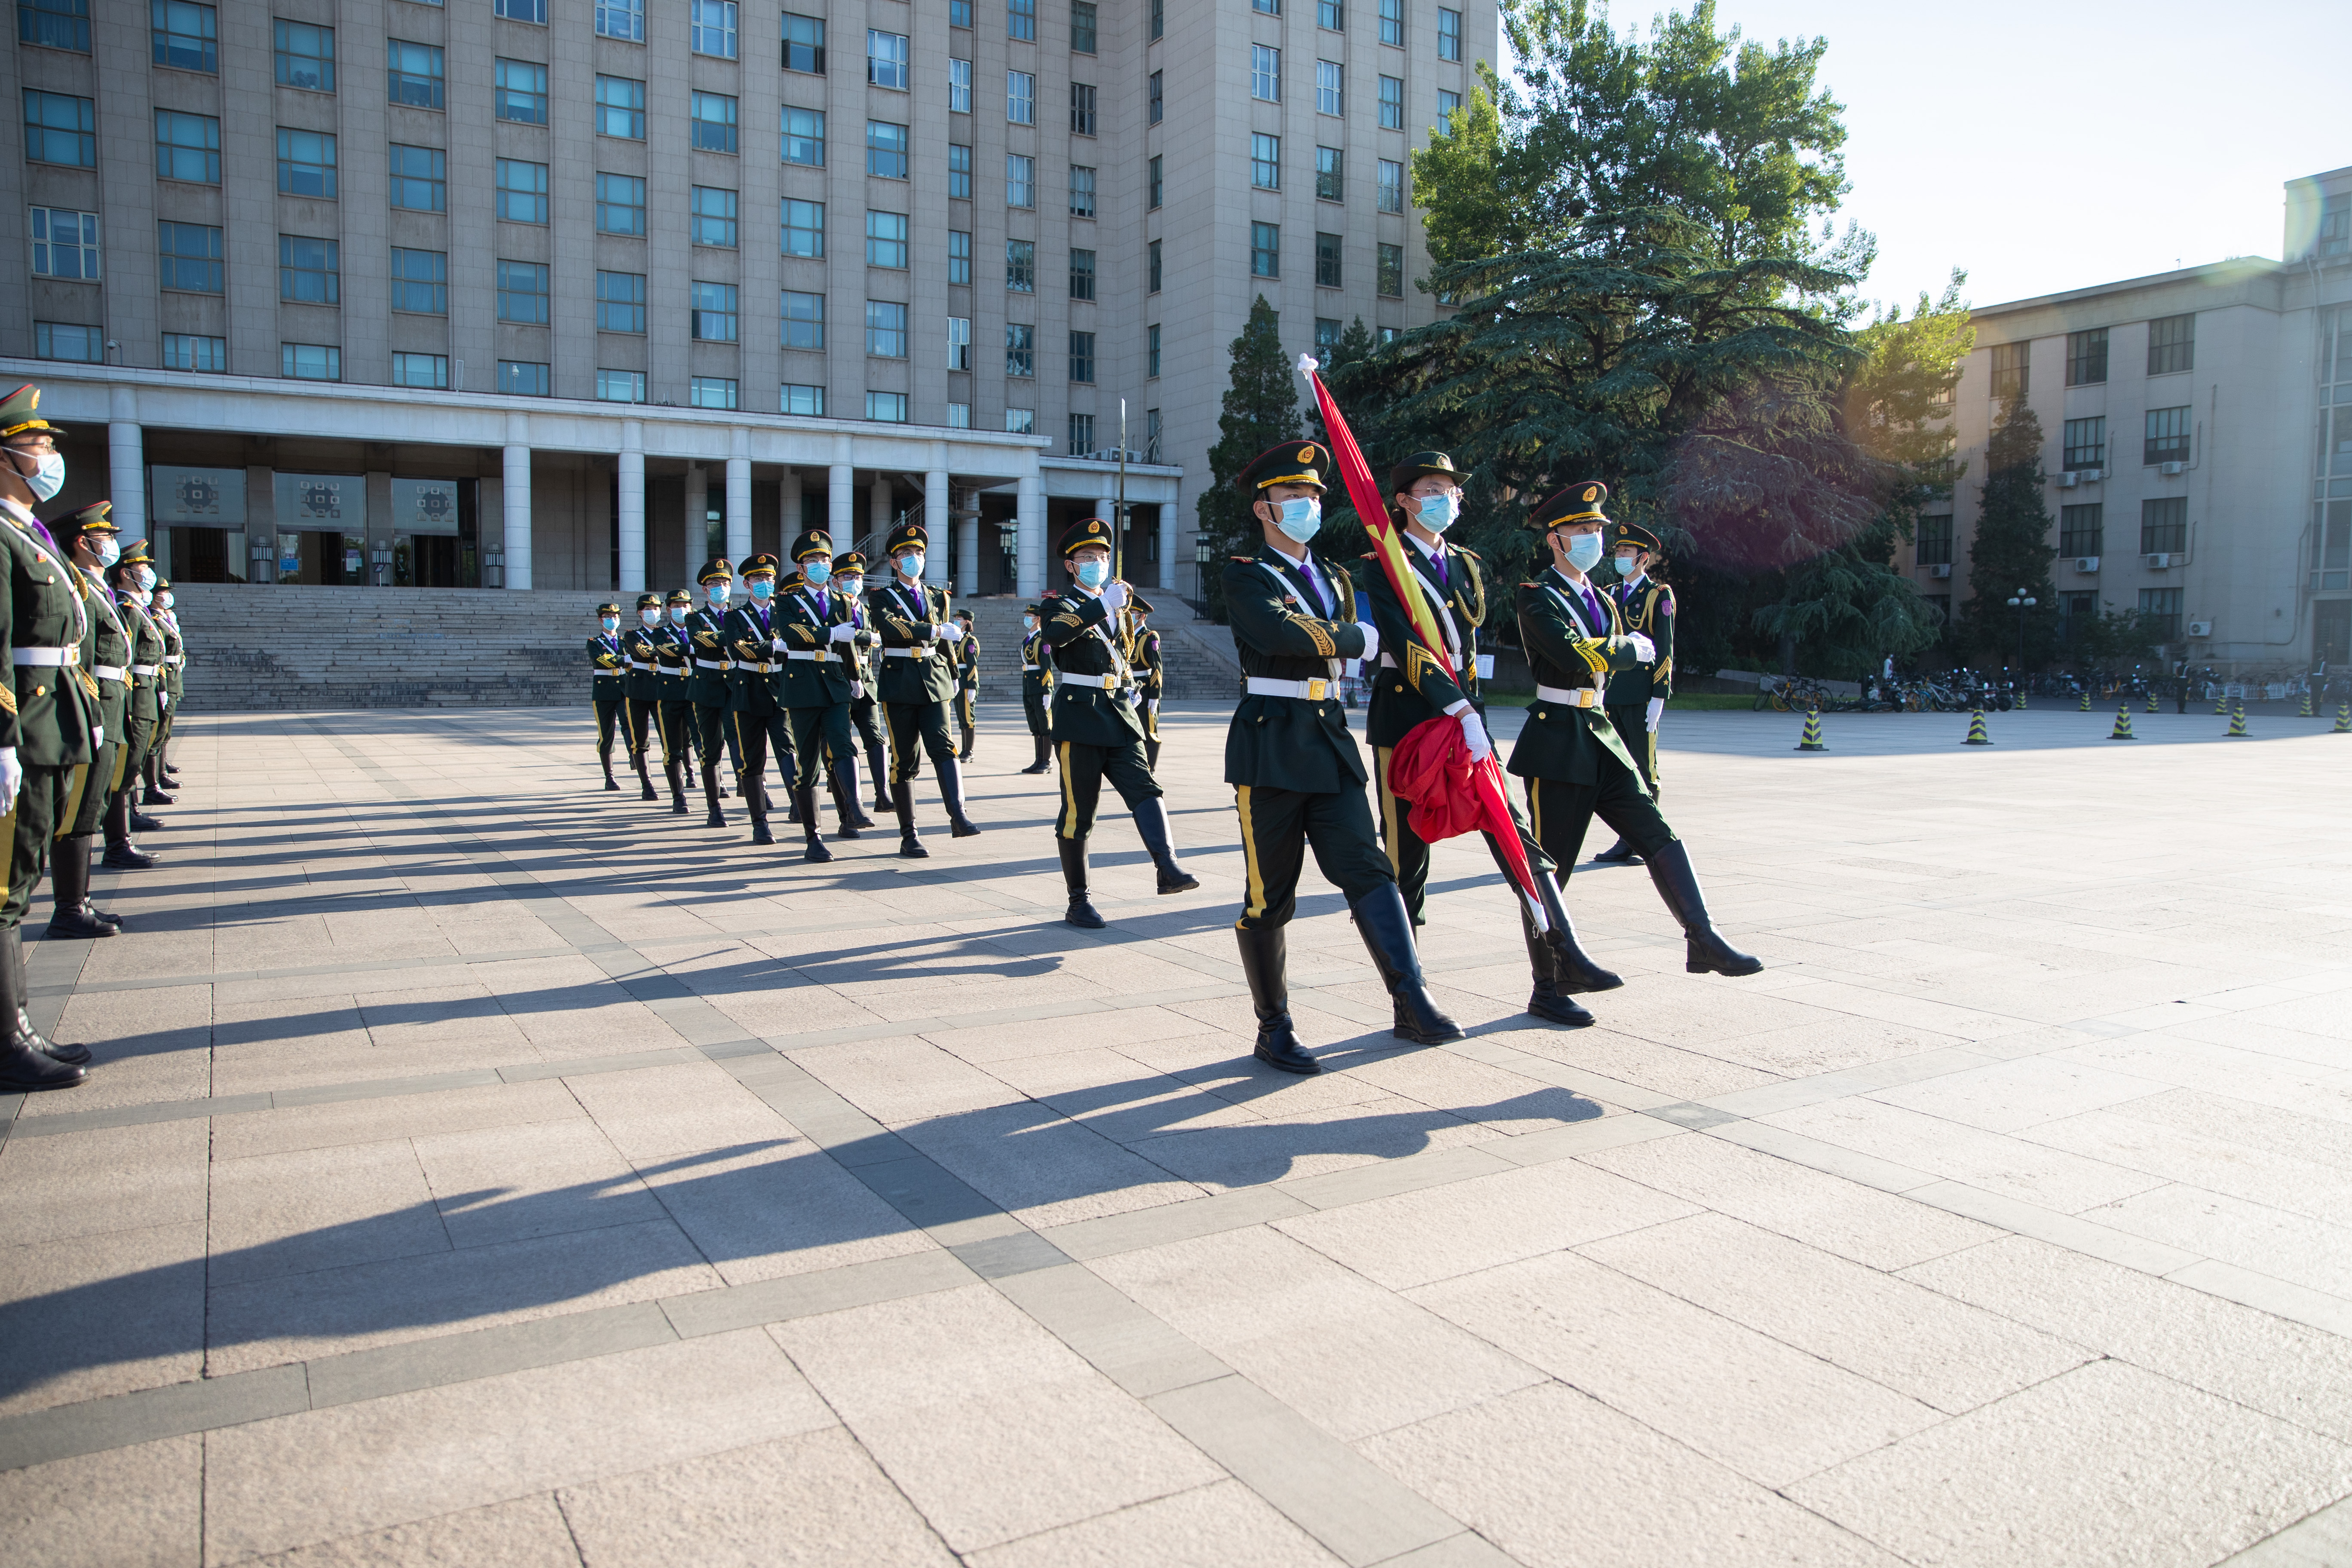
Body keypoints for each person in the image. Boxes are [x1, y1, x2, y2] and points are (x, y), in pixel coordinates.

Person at [1222, 441, 1460, 1075]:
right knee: (1269, 897)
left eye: (1314, 497)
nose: (1307, 505)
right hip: (1270, 745)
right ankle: (1274, 1028)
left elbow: (1392, 642)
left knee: (1370, 869)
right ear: (1264, 508)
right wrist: (1354, 636)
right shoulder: (1244, 572)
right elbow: (1278, 632)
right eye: (1294, 497)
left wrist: (1454, 705)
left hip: (1329, 740)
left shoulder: (1335, 576)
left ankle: (1411, 998)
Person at [1361, 453, 1612, 1029]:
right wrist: (1452, 703)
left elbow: (1468, 642)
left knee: (1516, 836)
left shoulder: (1468, 564)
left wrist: (1468, 711)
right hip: (1410, 721)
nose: (1445, 499)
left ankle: (1558, 963)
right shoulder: (1384, 563)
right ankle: (1410, 998)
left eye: (1450, 489)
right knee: (1406, 863)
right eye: (1431, 488)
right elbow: (1405, 644)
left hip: (1467, 722)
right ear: (1403, 500)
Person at [1510, 482, 1760, 977]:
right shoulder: (1538, 596)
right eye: (1583, 530)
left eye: (1597, 530)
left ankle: (1703, 937)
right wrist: (1628, 650)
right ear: (1555, 540)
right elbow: (1573, 653)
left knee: (1657, 834)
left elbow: (1602, 647)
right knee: (1551, 870)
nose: (1594, 539)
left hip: (1602, 733)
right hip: (1559, 737)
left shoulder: (1601, 598)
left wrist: (1627, 655)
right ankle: (1549, 982)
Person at [0, 384, 95, 1089]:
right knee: (3, 887)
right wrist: (3, 735)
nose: (51, 456)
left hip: (51, 714)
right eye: (39, 446)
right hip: (25, 721)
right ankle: (7, 1041)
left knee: (21, 875)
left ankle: (20, 1023)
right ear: (6, 458)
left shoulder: (28, 534)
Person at [1039, 519, 1197, 927]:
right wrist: (1103, 605)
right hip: (1079, 715)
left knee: (1146, 787)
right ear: (1072, 567)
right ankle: (1079, 901)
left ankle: (1168, 866)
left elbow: (1122, 656)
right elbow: (1057, 636)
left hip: (1119, 712)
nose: (1097, 563)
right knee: (1080, 812)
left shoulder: (1120, 610)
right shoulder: (1060, 604)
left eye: (1102, 557)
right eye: (1087, 558)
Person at [867, 522, 980, 855]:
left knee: (945, 747)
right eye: (906, 554)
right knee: (905, 759)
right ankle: (909, 834)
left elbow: (944, 640)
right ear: (894, 562)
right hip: (899, 681)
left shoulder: (936, 595)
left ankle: (957, 815)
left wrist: (953, 671)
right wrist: (935, 630)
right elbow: (892, 627)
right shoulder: (881, 597)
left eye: (919, 553)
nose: (914, 558)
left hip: (934, 679)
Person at [47, 501, 127, 940]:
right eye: (105, 537)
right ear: (83, 542)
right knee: (79, 809)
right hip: (93, 705)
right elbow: (83, 658)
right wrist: (93, 711)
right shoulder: (79, 588)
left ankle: (81, 901)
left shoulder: (94, 589)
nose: (110, 544)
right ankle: (69, 909)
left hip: (110, 703)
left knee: (93, 802)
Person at [772, 528, 877, 858]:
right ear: (801, 569)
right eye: (812, 560)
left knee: (844, 744)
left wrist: (855, 675)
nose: (820, 565)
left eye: (824, 559)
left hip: (834, 681)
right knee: (808, 764)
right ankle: (813, 836)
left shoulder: (843, 601)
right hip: (802, 683)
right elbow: (792, 634)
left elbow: (848, 644)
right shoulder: (787, 601)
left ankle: (855, 805)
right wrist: (831, 632)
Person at [1592, 521, 1675, 864]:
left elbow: (1666, 647)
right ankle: (1626, 838)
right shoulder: (1608, 592)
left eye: (1626, 553)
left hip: (1641, 696)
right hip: (1611, 694)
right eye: (1618, 552)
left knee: (1645, 768)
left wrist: (1659, 696)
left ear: (1643, 558)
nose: (1620, 558)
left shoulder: (1659, 595)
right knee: (1617, 766)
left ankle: (1646, 839)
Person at [722, 554, 797, 846]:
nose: (764, 583)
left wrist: (773, 648)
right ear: (746, 584)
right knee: (753, 760)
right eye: (758, 579)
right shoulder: (735, 617)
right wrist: (774, 646)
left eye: (768, 578)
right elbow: (739, 650)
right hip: (749, 691)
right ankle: (760, 823)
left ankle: (797, 803)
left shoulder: (785, 612)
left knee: (788, 750)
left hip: (780, 690)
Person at [108, 542, 168, 848]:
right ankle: (120, 833)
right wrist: (129, 703)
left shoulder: (139, 610)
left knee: (137, 756)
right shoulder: (126, 609)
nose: (148, 574)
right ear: (126, 572)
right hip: (135, 693)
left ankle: (130, 815)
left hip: (147, 689)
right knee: (129, 761)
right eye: (143, 568)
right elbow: (127, 659)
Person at [833, 551, 894, 815]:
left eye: (858, 576)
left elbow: (879, 636)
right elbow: (842, 638)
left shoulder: (868, 610)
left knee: (876, 739)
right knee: (840, 744)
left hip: (867, 682)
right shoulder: (832, 607)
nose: (854, 581)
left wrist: (870, 638)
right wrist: (867, 637)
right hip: (837, 680)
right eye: (848, 576)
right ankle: (848, 805)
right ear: (836, 581)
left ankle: (882, 793)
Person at [682, 559, 735, 827]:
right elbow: (701, 640)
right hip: (706, 687)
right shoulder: (695, 618)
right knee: (711, 749)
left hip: (735, 685)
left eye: (725, 583)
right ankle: (714, 808)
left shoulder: (739, 614)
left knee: (740, 744)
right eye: (715, 584)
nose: (721, 588)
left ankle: (756, 792)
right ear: (705, 589)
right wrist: (734, 637)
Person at [651, 588, 695, 815]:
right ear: (668, 610)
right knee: (672, 749)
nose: (682, 610)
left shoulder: (699, 627)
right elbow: (665, 650)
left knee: (705, 745)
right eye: (676, 606)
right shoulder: (660, 633)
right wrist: (691, 648)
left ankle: (714, 795)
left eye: (685, 605)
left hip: (696, 693)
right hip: (670, 695)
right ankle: (678, 797)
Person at [618, 592, 664, 802]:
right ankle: (647, 784)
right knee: (640, 739)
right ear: (640, 613)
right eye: (648, 609)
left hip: (663, 688)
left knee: (670, 738)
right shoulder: (632, 635)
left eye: (656, 609)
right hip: (638, 691)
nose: (653, 612)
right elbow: (641, 652)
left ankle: (684, 776)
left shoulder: (666, 633)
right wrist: (666, 650)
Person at [148, 574, 184, 798]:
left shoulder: (165, 618)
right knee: (158, 732)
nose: (166, 595)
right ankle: (154, 781)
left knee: (165, 730)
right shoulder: (151, 617)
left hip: (172, 676)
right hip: (163, 677)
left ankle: (161, 770)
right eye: (162, 592)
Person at [587, 601, 627, 790]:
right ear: (600, 620)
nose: (613, 620)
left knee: (630, 726)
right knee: (606, 734)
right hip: (604, 692)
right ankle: (609, 776)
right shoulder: (594, 643)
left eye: (616, 617)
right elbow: (601, 660)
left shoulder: (624, 642)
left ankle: (634, 757)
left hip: (624, 690)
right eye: (608, 618)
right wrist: (624, 660)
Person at [1128, 596, 1166, 773]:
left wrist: (1155, 696)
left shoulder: (1150, 637)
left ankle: (1150, 769)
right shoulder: (1127, 637)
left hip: (1144, 687)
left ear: (1142, 616)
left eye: (1133, 613)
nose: (1130, 616)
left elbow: (1157, 668)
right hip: (1128, 687)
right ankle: (1137, 764)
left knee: (1148, 730)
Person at [1018, 601, 1056, 775]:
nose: (1027, 618)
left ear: (1038, 619)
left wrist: (1048, 691)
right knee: (1035, 725)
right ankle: (1038, 760)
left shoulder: (1043, 640)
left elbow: (1047, 667)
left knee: (1045, 725)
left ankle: (1046, 761)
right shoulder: (1028, 639)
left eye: (1029, 616)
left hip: (1040, 687)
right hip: (1029, 685)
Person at [955, 609, 980, 761]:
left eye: (959, 618)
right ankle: (964, 750)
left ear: (966, 622)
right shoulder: (957, 640)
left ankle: (969, 751)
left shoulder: (969, 641)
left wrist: (972, 686)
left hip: (966, 682)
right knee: (961, 717)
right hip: (958, 681)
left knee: (968, 717)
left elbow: (972, 665)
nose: (956, 620)